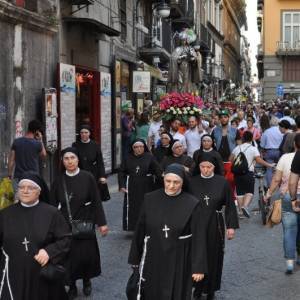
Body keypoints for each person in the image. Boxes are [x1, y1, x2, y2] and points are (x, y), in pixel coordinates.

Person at [128, 164, 208, 300]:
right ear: (163, 179)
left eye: (176, 182)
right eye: (168, 181)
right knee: (152, 290)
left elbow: (199, 237)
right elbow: (140, 229)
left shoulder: (192, 203)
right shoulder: (150, 199)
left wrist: (198, 267)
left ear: (183, 182)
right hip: (154, 255)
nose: (171, 186)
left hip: (180, 257)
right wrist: (135, 258)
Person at [0, 172, 71, 300]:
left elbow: (65, 239)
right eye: (21, 187)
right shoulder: (5, 214)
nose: (25, 191)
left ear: (39, 191)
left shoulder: (52, 213)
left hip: (42, 276)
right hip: (13, 275)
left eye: (30, 188)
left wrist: (49, 252)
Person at [50, 147, 108, 299]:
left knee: (86, 255)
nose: (69, 161)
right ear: (62, 162)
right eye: (66, 159)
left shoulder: (87, 177)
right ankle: (72, 286)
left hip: (85, 222)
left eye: (72, 158)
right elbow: (51, 205)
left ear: (78, 160)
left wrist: (102, 223)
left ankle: (87, 280)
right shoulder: (58, 180)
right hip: (65, 225)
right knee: (68, 257)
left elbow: (96, 201)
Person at [189, 153, 239, 300]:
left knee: (214, 255)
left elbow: (230, 205)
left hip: (215, 223)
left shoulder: (222, 182)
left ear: (214, 167)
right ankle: (197, 288)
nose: (206, 170)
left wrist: (231, 227)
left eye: (209, 167)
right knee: (197, 255)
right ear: (198, 167)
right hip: (195, 223)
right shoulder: (191, 182)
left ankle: (211, 289)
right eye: (202, 167)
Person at [265, 134, 300, 274]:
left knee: (290, 230)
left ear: (295, 144)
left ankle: (290, 263)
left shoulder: (285, 158)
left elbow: (277, 179)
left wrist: (268, 193)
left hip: (288, 196)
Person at [118, 139, 162, 231]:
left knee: (146, 206)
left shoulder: (149, 156)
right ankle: (133, 227)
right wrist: (122, 186)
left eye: (141, 147)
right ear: (132, 148)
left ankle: (147, 227)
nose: (138, 149)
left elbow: (157, 170)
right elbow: (121, 172)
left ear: (144, 147)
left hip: (147, 186)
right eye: (136, 147)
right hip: (132, 186)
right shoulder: (127, 157)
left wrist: (164, 178)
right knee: (133, 207)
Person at [230, 131, 274, 218]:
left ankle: (240, 212)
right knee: (249, 191)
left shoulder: (237, 148)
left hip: (237, 174)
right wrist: (269, 165)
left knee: (239, 192)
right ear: (251, 139)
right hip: (248, 173)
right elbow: (258, 160)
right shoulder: (253, 148)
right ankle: (245, 206)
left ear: (243, 139)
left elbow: (230, 159)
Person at [8, 120, 47, 188]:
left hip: (19, 177)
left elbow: (11, 161)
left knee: (18, 197)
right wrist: (40, 140)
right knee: (31, 197)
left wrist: (9, 175)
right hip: (33, 178)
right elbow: (44, 155)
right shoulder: (37, 144)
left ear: (28, 128)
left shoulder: (16, 142)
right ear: (37, 131)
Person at [260, 117, 283, 187]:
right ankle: (280, 185)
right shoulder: (281, 131)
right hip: (279, 151)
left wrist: (262, 152)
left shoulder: (267, 131)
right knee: (280, 169)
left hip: (269, 152)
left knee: (269, 169)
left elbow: (262, 144)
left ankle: (270, 186)